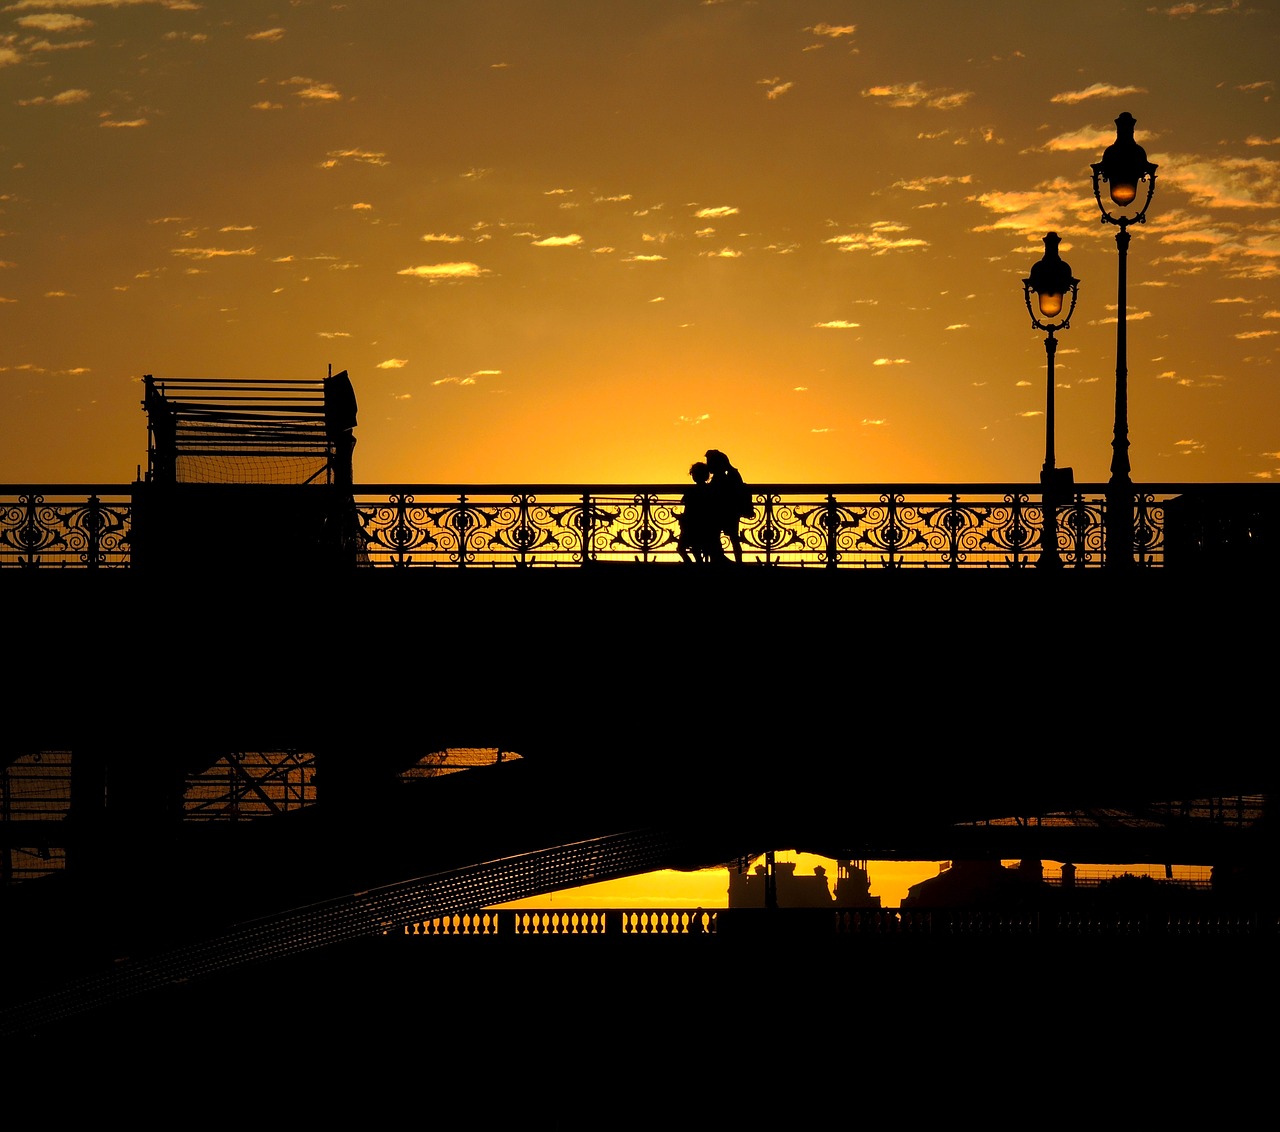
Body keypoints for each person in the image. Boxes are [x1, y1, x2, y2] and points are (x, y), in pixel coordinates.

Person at [705, 449, 748, 564]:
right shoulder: (729, 476)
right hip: (730, 512)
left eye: (709, 462)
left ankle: (722, 560)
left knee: (720, 536)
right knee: (733, 538)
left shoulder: (721, 479)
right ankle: (735, 562)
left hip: (724, 512)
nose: (707, 465)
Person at [677, 461, 718, 563]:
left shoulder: (692, 491)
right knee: (696, 549)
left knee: (681, 548)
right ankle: (698, 566)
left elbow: (688, 508)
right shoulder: (709, 490)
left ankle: (690, 565)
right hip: (704, 527)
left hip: (692, 526)